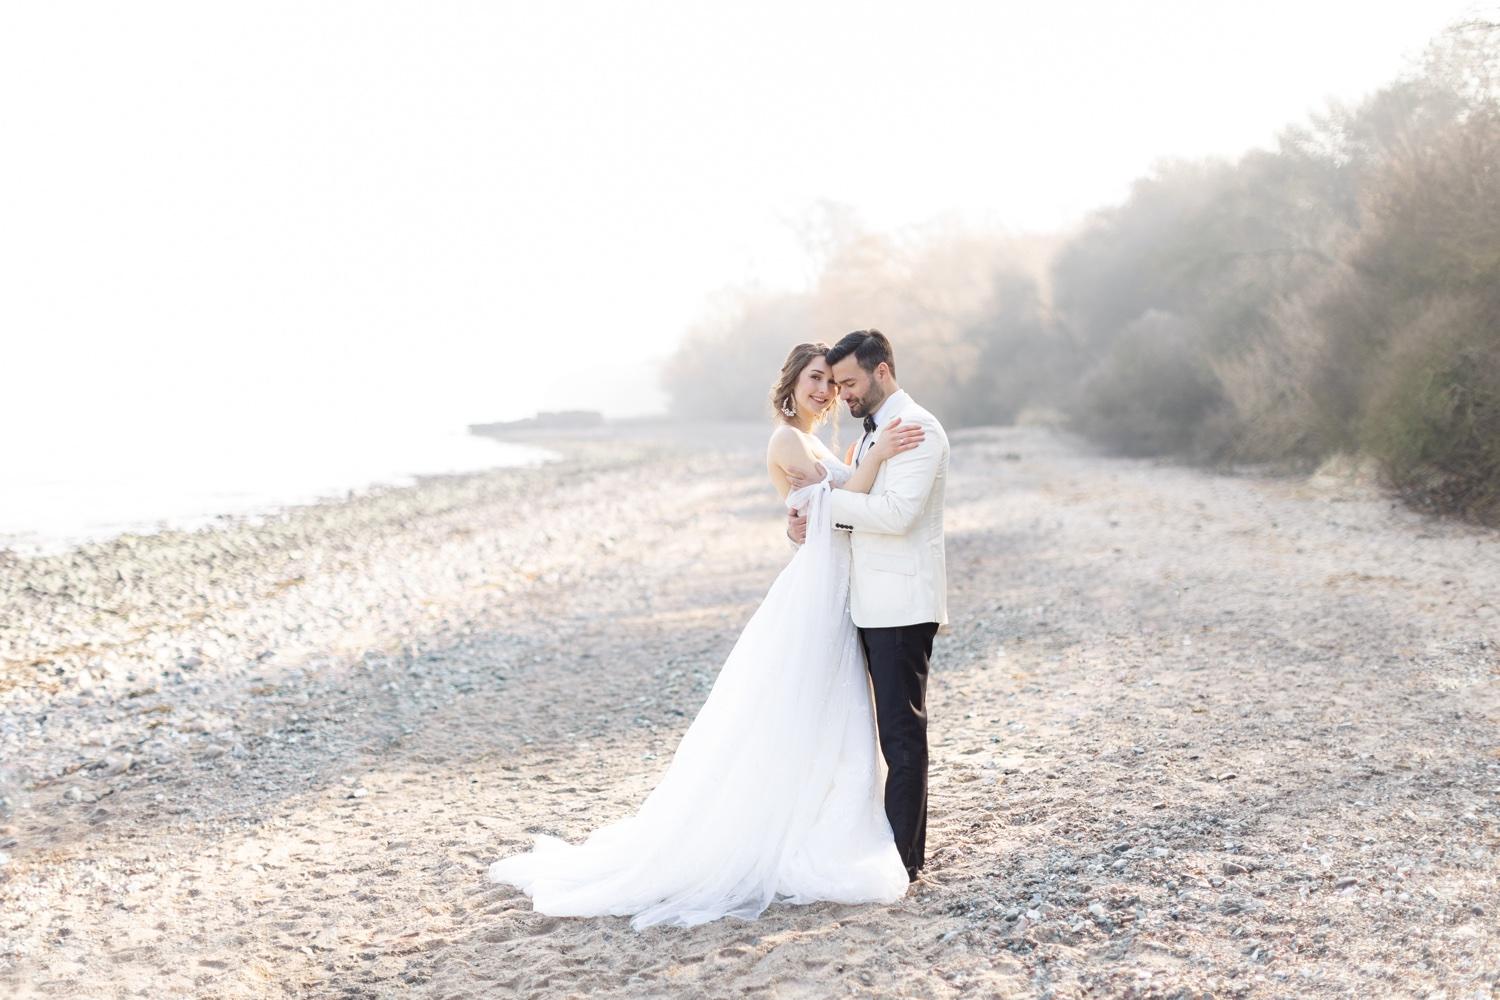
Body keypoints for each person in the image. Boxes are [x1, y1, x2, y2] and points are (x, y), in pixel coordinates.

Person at [486, 341, 926, 931]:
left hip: (838, 585)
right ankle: (787, 831)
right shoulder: (787, 439)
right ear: (792, 383)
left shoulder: (819, 443)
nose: (824, 391)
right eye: (815, 379)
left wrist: (824, 497)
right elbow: (838, 505)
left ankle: (820, 821)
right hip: (817, 592)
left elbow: (817, 515)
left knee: (832, 713)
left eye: (831, 381)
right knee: (799, 708)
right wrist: (870, 465)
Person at [785, 329, 949, 883]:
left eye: (850, 382)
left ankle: (906, 863)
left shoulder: (916, 429)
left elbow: (898, 514)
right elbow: (856, 503)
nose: (843, 394)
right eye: (835, 383)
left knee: (902, 738)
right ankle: (883, 848)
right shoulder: (870, 437)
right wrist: (808, 520)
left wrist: (829, 508)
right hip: (868, 604)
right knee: (874, 735)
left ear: (882, 372)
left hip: (901, 605)